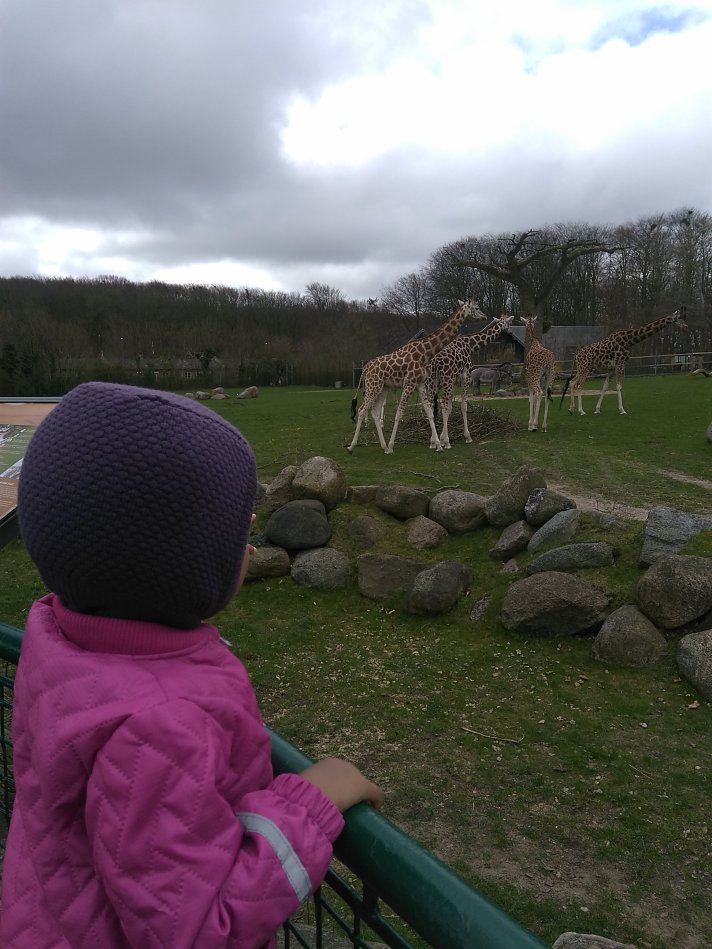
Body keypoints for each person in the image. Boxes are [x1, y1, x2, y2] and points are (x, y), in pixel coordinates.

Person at [1, 382, 383, 948]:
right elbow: (200, 930)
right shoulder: (161, 728)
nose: (249, 542)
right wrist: (311, 802)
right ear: (182, 569)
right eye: (238, 532)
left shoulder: (57, 639)